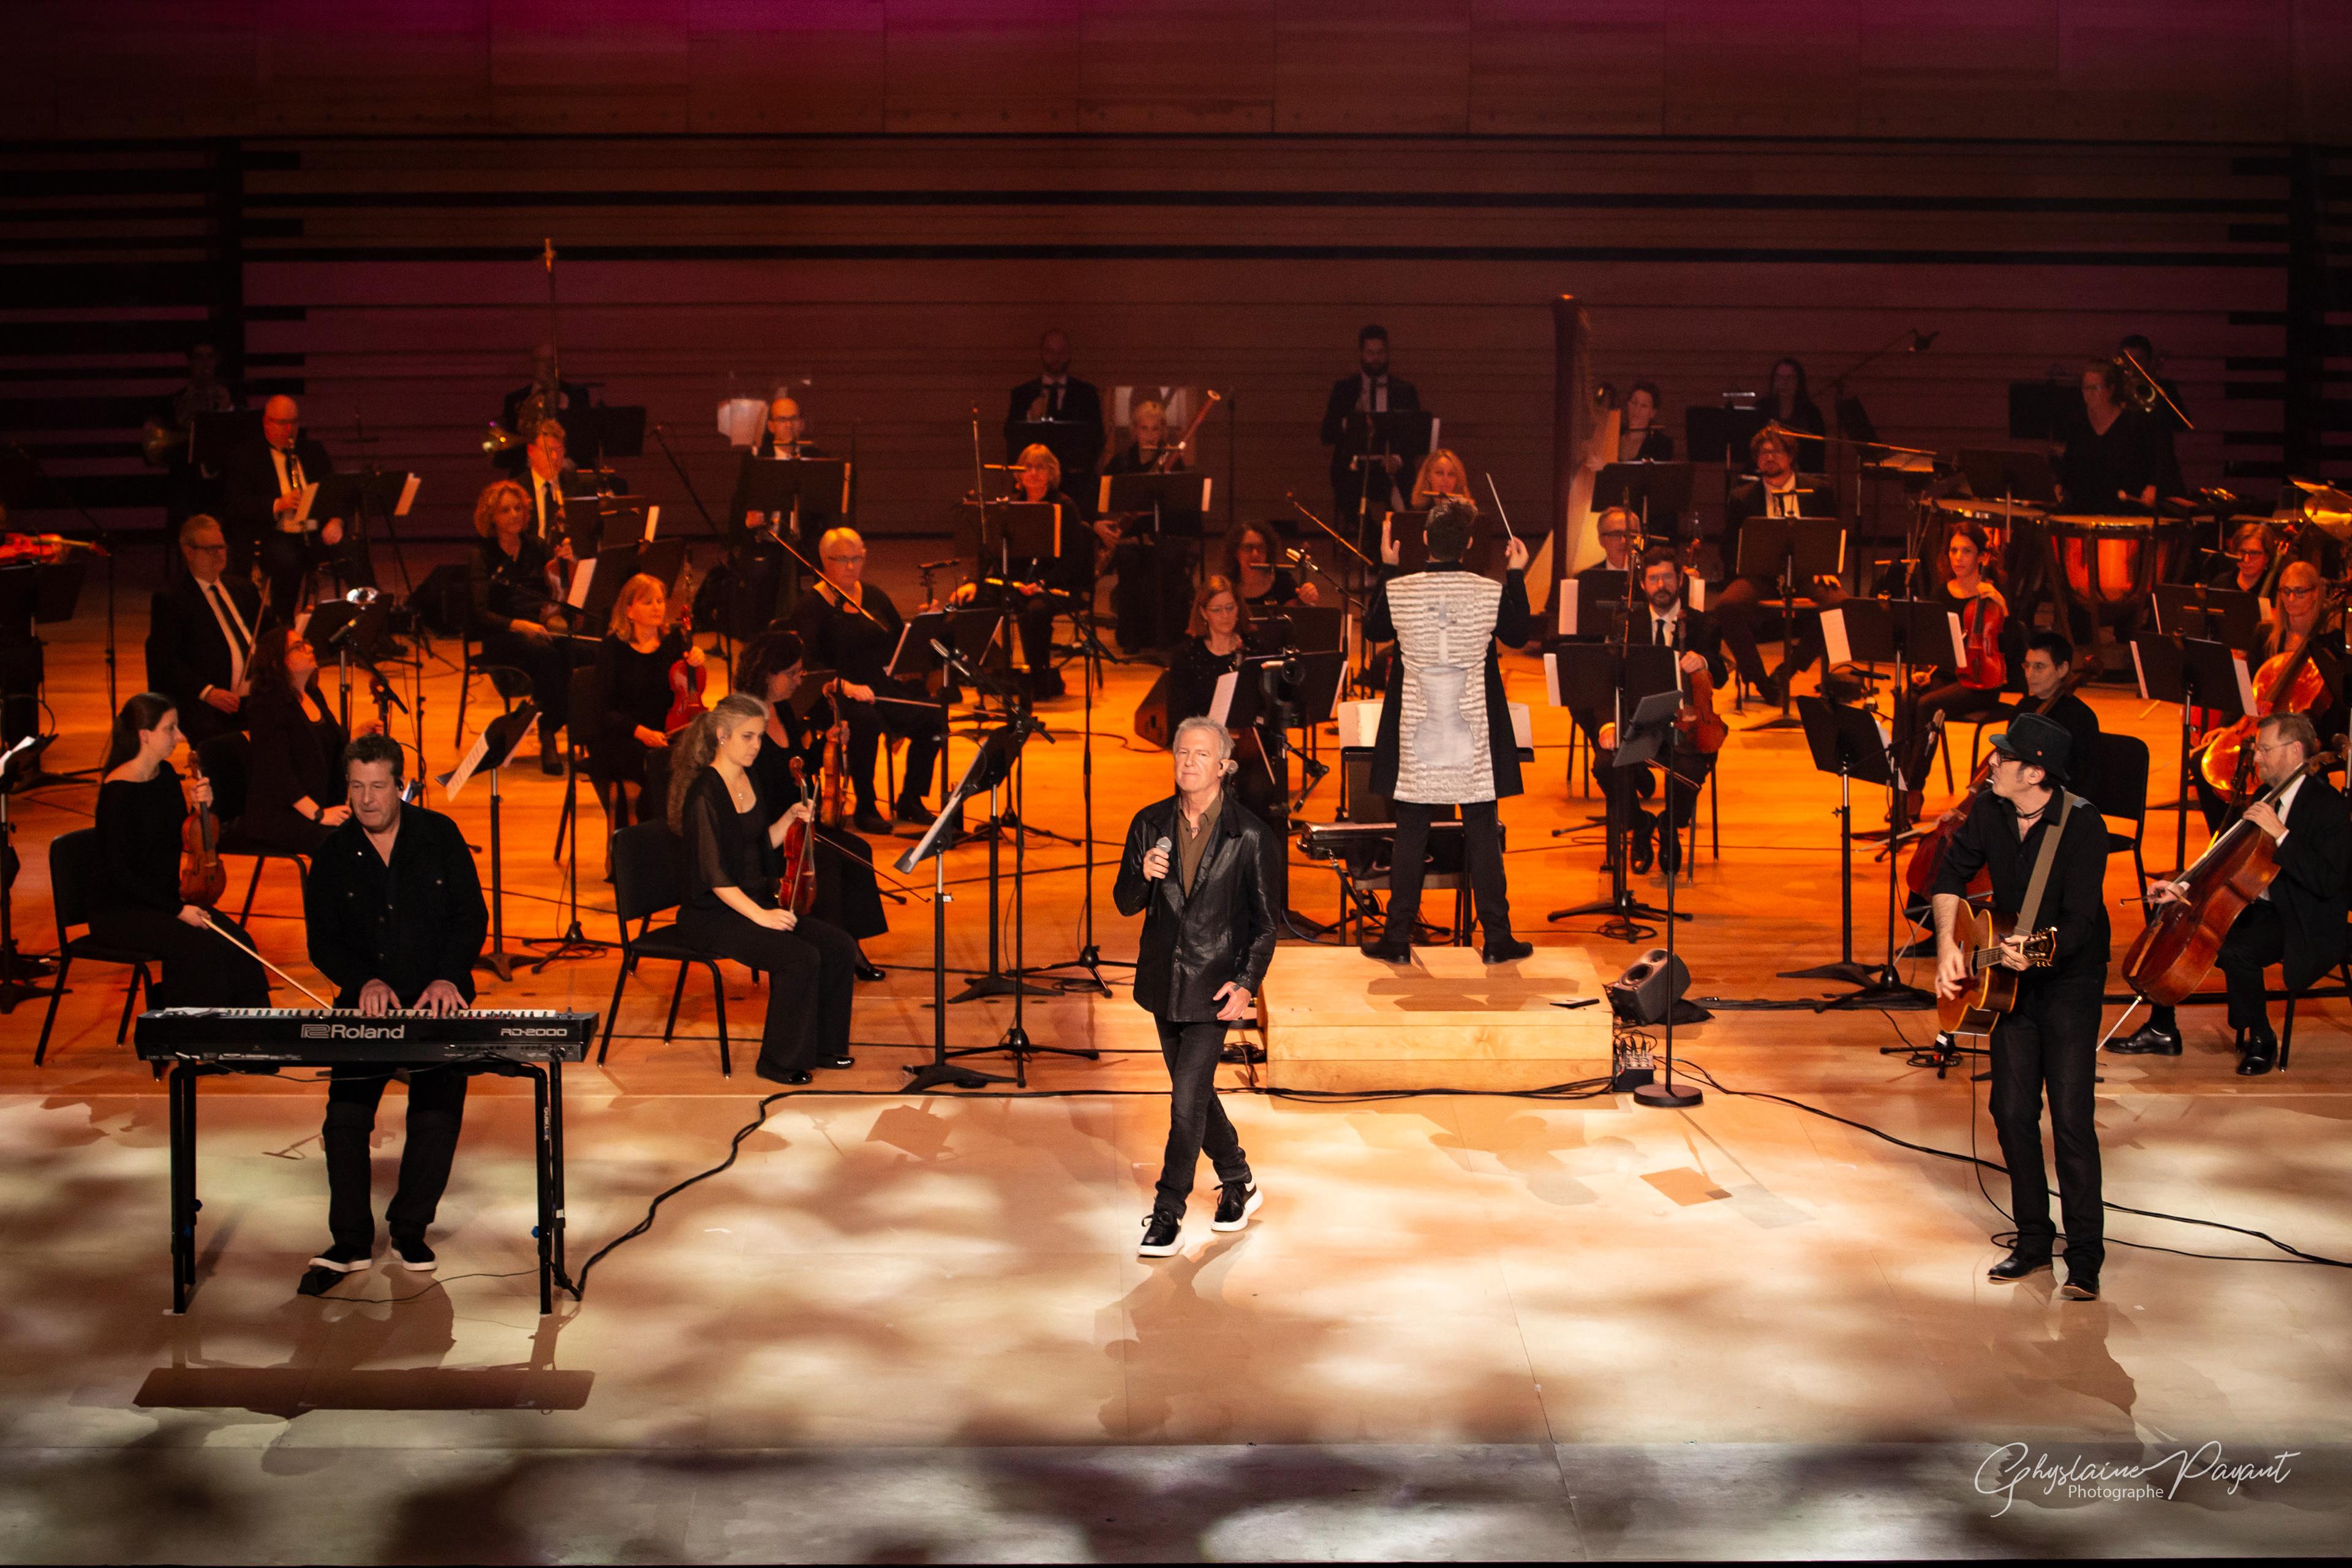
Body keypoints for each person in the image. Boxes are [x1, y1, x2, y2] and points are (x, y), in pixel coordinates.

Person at [1930, 712, 2112, 1302]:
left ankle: (2084, 1258)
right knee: (2010, 1112)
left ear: (2035, 773)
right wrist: (1948, 950)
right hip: (2009, 984)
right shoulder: (1990, 809)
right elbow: (1947, 878)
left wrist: (2037, 953)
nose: (1992, 763)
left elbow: (2081, 921)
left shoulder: (2083, 825)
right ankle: (2033, 1240)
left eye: (2003, 756)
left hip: (2069, 981)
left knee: (2071, 1120)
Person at [300, 732, 491, 1281]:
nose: (366, 800)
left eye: (378, 787)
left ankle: (410, 1230)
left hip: (436, 1001)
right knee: (345, 1118)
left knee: (437, 1114)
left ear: (400, 787)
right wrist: (363, 981)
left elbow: (470, 917)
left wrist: (448, 977)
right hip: (367, 1008)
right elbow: (322, 942)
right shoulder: (332, 854)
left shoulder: (440, 835)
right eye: (357, 787)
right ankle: (350, 1240)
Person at [1112, 715, 1278, 1257]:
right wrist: (1142, 873)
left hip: (1213, 986)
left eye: (1202, 754)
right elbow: (1125, 902)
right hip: (1164, 983)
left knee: (1185, 1102)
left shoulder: (1250, 834)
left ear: (1224, 766)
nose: (1188, 762)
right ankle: (1238, 1179)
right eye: (1182, 752)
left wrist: (1246, 983)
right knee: (1198, 1094)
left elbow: (1266, 924)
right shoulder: (1149, 823)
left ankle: (1168, 1212)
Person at [2113, 712, 2351, 1075]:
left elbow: (2328, 881)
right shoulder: (2265, 795)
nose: (2257, 759)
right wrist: (2183, 886)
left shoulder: (2329, 807)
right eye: (2258, 750)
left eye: (2265, 750)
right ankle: (2162, 1029)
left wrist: (2281, 834)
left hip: (2303, 915)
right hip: (2259, 905)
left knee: (2236, 950)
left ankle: (2262, 1037)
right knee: (2175, 915)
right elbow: (2225, 858)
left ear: (2295, 750)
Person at [1360, 497, 1535, 963]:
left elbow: (1373, 631)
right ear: (1470, 543)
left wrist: (1388, 566)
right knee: (1481, 830)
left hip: (1416, 730)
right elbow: (1519, 635)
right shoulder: (1487, 590)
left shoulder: (1401, 589)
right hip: (1472, 729)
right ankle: (1497, 938)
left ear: (1424, 540)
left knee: (1411, 832)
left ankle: (1397, 938)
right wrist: (1516, 573)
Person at [667, 692, 861, 1085]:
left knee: (838, 946)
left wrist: (788, 818)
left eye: (759, 736)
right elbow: (715, 876)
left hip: (750, 902)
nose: (757, 745)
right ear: (722, 735)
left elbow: (755, 845)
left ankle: (824, 1047)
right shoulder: (704, 794)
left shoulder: (747, 777)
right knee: (798, 958)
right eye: (748, 736)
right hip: (712, 915)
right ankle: (777, 1062)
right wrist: (761, 916)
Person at [88, 693, 270, 1010]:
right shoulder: (117, 795)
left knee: (239, 943)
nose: (180, 736)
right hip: (122, 912)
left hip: (165, 901)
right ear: (145, 735)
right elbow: (120, 875)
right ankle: (191, 1034)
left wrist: (201, 810)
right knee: (201, 951)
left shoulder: (167, 776)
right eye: (170, 728)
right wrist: (177, 910)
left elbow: (179, 837)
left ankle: (254, 1034)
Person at [736, 631, 890, 980]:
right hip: (768, 833)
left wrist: (825, 744)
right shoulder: (742, 720)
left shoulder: (782, 709)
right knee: (827, 861)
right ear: (767, 673)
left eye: (800, 672)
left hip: (797, 822)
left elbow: (797, 763)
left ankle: (849, 943)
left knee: (857, 849)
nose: (799, 680)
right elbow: (757, 787)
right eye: (792, 673)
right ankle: (835, 952)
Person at [787, 526, 941, 832]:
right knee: (864, 721)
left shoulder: (874, 596)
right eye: (842, 559)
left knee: (932, 715)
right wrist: (845, 687)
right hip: (830, 693)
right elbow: (807, 666)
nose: (851, 566)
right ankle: (866, 807)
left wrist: (927, 624)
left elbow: (898, 642)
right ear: (824, 561)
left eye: (857, 558)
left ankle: (911, 798)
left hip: (876, 686)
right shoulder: (811, 605)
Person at [1599, 547, 1726, 876]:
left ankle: (1670, 826)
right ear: (1642, 584)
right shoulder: (1626, 624)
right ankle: (1640, 825)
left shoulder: (1702, 624)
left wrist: (1704, 661)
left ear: (1680, 579)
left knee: (1691, 768)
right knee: (1605, 765)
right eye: (1653, 578)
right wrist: (1608, 725)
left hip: (1687, 725)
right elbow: (1608, 681)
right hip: (1640, 724)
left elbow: (1722, 674)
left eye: (1668, 577)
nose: (1661, 585)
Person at [2188, 560, 2344, 827]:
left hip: (2307, 733)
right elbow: (2250, 691)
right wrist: (2231, 727)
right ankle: (2225, 839)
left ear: (2315, 593)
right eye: (2286, 591)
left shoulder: (2330, 641)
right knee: (2199, 761)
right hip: (2259, 726)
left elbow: (2335, 702)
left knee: (2267, 774)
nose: (2291, 599)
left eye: (2300, 592)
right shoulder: (2266, 634)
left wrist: (2316, 740)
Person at [949, 443, 1084, 699]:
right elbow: (992, 553)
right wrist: (976, 582)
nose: (1032, 473)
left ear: (1051, 472)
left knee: (1034, 611)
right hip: (1013, 583)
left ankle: (1039, 677)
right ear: (1018, 474)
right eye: (1027, 467)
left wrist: (1042, 583)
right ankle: (991, 671)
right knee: (970, 603)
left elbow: (1075, 560)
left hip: (1054, 584)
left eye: (1040, 468)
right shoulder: (1009, 506)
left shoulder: (1064, 507)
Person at [1713, 426, 1834, 702]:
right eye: (1763, 453)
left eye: (1776, 451)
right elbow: (1728, 546)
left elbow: (1833, 535)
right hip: (1760, 576)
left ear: (1790, 456)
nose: (1769, 457)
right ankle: (1762, 683)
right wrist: (1741, 571)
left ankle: (1788, 671)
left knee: (1840, 604)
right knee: (1726, 606)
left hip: (1807, 573)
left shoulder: (1818, 490)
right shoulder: (1742, 497)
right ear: (1756, 459)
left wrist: (1827, 567)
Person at [1895, 521, 2008, 815]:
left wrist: (2002, 605)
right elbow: (1927, 642)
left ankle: (1913, 790)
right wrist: (1922, 670)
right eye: (1954, 551)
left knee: (1928, 705)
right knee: (1906, 700)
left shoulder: (1992, 595)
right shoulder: (1940, 595)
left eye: (1966, 551)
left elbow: (2014, 644)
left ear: (1982, 557)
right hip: (1945, 677)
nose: (1958, 558)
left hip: (1981, 682)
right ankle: (1898, 785)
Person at [467, 477, 579, 773]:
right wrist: (519, 625)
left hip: (541, 627)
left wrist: (566, 562)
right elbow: (480, 614)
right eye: (505, 510)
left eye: (519, 508)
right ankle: (548, 735)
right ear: (491, 516)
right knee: (547, 654)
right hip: (502, 634)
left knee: (575, 649)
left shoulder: (537, 547)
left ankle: (558, 727)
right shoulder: (481, 555)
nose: (514, 514)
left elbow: (560, 590)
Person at [144, 514, 270, 748]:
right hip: (209, 702)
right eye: (210, 549)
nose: (219, 554)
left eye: (221, 547)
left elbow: (270, 634)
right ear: (189, 553)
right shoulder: (172, 599)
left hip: (255, 696)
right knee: (224, 745)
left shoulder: (244, 590)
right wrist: (208, 692)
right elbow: (164, 661)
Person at [221, 395, 353, 616]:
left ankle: (371, 613)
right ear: (266, 422)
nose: (290, 429)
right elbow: (235, 505)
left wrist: (336, 520)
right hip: (274, 534)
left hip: (314, 533)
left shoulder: (313, 451)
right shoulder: (246, 456)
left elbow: (335, 493)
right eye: (283, 423)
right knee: (288, 561)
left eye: (294, 422)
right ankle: (284, 622)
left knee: (351, 549)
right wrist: (277, 504)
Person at [594, 573, 702, 828]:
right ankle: (651, 836)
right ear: (629, 611)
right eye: (648, 602)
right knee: (658, 764)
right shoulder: (613, 648)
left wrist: (695, 662)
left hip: (666, 732)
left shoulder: (674, 643)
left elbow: (686, 693)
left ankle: (678, 835)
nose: (657, 607)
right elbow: (603, 711)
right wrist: (642, 733)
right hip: (624, 735)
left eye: (660, 601)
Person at [235, 627, 353, 857]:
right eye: (298, 647)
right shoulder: (267, 707)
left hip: (318, 803)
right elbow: (278, 774)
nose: (310, 648)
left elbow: (326, 748)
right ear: (277, 663)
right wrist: (319, 814)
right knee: (342, 845)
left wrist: (357, 735)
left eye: (306, 643)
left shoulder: (313, 694)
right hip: (280, 815)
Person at [1096, 397, 1197, 653]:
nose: (1150, 435)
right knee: (1130, 561)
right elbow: (1100, 499)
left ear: (1163, 431)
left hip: (1162, 540)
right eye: (1144, 428)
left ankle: (1164, 634)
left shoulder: (1173, 461)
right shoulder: (1121, 462)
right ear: (1134, 430)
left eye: (1155, 429)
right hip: (1129, 541)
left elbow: (1183, 512)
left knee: (1166, 563)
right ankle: (1132, 636)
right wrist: (1108, 524)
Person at [1321, 324, 1422, 532]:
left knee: (1405, 486)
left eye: (1380, 353)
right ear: (1361, 354)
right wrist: (1351, 422)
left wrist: (1397, 459)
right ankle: (1374, 538)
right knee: (1347, 491)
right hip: (1355, 468)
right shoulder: (1345, 389)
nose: (1375, 359)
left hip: (1392, 466)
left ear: (1387, 353)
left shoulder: (1405, 391)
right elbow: (1327, 434)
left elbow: (1414, 436)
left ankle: (1393, 535)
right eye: (1370, 353)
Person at [1005, 329, 1104, 518]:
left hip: (1077, 485)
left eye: (1061, 352)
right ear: (1042, 354)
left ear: (1069, 354)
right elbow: (1011, 437)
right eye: (1050, 351)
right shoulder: (1023, 394)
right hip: (1034, 483)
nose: (1056, 358)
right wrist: (1030, 416)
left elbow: (1097, 437)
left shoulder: (1087, 393)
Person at [2055, 359, 2163, 515]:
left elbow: (2154, 460)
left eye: (2096, 388)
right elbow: (2070, 461)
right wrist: (2060, 485)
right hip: (2084, 508)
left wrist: (2152, 486)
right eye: (2085, 388)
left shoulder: (2133, 422)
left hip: (2125, 510)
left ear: (2111, 389)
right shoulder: (2079, 421)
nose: (2089, 393)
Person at [499, 342, 593, 472]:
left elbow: (586, 442)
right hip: (529, 473)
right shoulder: (515, 400)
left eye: (553, 360)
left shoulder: (578, 396)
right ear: (533, 364)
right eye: (543, 361)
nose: (549, 366)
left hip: (570, 472)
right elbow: (505, 455)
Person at [1225, 521, 1321, 614]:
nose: (1255, 554)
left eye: (1261, 547)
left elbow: (1301, 615)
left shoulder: (1282, 580)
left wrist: (1308, 598)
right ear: (1236, 552)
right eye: (1248, 548)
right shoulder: (1227, 585)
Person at [1762, 356, 1827, 473]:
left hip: (1802, 473)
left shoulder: (1811, 413)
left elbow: (1817, 454)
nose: (1784, 383)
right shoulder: (1762, 409)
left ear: (1798, 382)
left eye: (1790, 378)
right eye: (1780, 378)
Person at [519, 418, 576, 546]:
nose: (555, 457)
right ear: (531, 450)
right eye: (548, 450)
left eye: (559, 450)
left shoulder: (575, 486)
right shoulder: (517, 489)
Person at [1409, 448, 1474, 510]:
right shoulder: (1417, 512)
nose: (1446, 479)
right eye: (1440, 473)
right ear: (1428, 476)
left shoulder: (1464, 512)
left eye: (1451, 474)